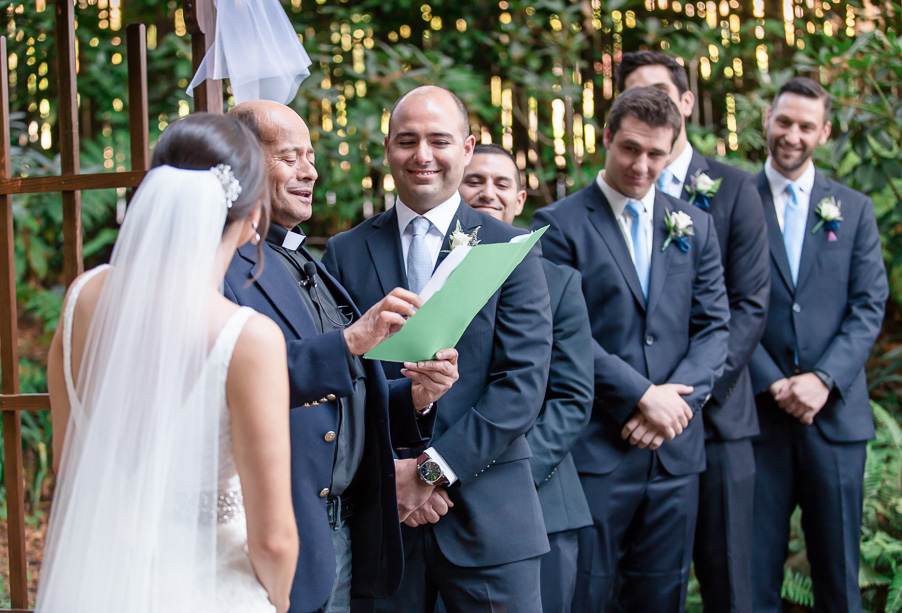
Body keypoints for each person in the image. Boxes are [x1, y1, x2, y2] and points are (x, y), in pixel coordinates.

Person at [39, 113, 299, 612]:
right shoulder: (248, 339)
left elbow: (66, 468)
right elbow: (273, 540)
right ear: (252, 220)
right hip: (210, 593)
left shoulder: (83, 297)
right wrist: (278, 598)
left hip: (101, 583)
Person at [323, 85, 553, 613]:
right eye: (407, 141)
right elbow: (346, 383)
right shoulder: (345, 251)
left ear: (467, 149)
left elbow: (521, 385)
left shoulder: (508, 247)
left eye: (439, 140)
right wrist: (395, 475)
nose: (422, 155)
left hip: (491, 518)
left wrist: (430, 471)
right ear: (388, 150)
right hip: (385, 519)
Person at [224, 100, 459, 613]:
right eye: (290, 157)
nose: (310, 170)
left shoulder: (305, 257)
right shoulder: (224, 267)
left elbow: (346, 395)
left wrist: (416, 396)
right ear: (242, 162)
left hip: (350, 526)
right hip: (285, 526)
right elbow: (239, 381)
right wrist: (353, 340)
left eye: (310, 156)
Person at [532, 87, 730, 613]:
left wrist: (673, 406)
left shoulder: (696, 225)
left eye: (656, 155)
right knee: (587, 594)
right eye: (630, 149)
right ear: (606, 139)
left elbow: (715, 328)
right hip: (597, 449)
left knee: (661, 597)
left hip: (674, 453)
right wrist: (642, 395)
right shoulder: (558, 224)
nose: (642, 166)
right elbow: (560, 334)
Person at [617, 51, 771, 613]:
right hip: (627, 425)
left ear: (684, 103)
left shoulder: (732, 188)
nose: (652, 106)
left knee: (730, 579)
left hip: (717, 419)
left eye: (661, 93)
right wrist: (641, 401)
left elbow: (748, 306)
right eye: (637, 96)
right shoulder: (608, 195)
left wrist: (680, 403)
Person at [749, 76, 888, 613]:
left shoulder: (853, 208)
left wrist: (823, 379)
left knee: (837, 577)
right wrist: (773, 380)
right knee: (754, 573)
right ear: (768, 120)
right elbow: (726, 303)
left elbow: (868, 305)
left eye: (807, 126)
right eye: (784, 121)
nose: (792, 135)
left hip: (835, 420)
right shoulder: (736, 201)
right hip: (759, 419)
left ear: (824, 132)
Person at [459, 143, 594, 613]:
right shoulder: (428, 274)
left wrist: (501, 477)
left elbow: (571, 398)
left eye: (502, 184)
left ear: (519, 201)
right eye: (474, 180)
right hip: (436, 506)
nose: (487, 193)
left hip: (539, 500)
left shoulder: (560, 282)